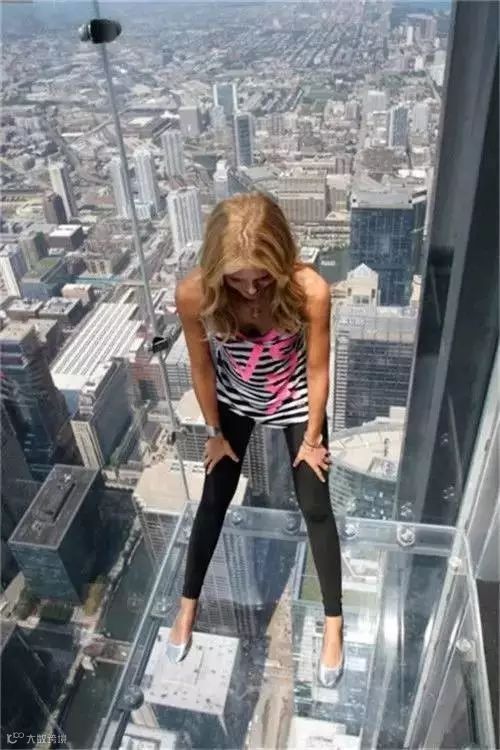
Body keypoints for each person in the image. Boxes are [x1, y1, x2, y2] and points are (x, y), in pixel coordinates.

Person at [166, 192, 344, 688]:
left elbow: (318, 368)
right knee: (214, 497)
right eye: (236, 279)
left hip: (293, 397)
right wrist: (214, 432)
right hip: (235, 397)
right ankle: (187, 606)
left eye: (261, 277)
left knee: (316, 504)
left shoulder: (309, 290)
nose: (249, 289)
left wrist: (312, 438)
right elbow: (202, 367)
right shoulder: (193, 294)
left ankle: (334, 622)